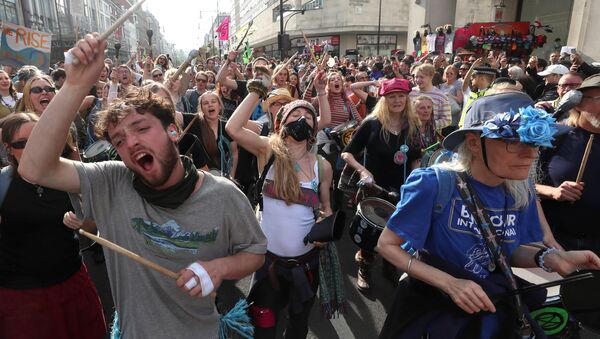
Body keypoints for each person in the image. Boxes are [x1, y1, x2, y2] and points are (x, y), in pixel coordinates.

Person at [18, 33, 267, 338]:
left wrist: (220, 269)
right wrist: (74, 85)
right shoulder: (112, 180)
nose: (131, 141)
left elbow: (254, 252)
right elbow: (33, 168)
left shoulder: (225, 195)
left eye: (142, 128)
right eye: (119, 140)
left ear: (173, 131)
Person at [377, 91, 600, 339]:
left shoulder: (520, 190)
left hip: (490, 309)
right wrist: (449, 283)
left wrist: (551, 257)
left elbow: (505, 250)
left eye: (533, 142)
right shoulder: (433, 184)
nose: (531, 154)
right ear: (474, 143)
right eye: (513, 142)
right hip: (433, 312)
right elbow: (387, 245)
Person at [225, 66, 336, 339]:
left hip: (306, 265)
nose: (301, 119)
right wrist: (255, 91)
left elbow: (326, 208)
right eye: (294, 114)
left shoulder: (323, 166)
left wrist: (325, 223)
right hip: (268, 266)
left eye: (307, 116)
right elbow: (232, 127)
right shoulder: (267, 150)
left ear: (314, 128)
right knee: (263, 328)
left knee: (298, 326)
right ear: (281, 123)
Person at [0, 113, 106, 339]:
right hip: (21, 299)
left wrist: (84, 222)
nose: (33, 148)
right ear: (9, 149)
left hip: (72, 284)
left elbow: (94, 227)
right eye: (22, 144)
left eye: (40, 139)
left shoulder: (69, 176)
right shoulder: (2, 185)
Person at [341, 78, 421, 290]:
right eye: (392, 97)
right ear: (384, 99)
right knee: (371, 233)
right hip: (373, 188)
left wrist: (414, 182)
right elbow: (347, 153)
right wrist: (363, 171)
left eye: (401, 96)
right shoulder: (372, 124)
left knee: (396, 232)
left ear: (407, 99)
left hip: (402, 190)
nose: (397, 100)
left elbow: (415, 158)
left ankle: (390, 264)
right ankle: (364, 266)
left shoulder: (412, 126)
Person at [537, 74, 600, 256]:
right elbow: (519, 183)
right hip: (553, 242)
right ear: (578, 103)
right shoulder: (554, 136)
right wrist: (553, 192)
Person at [409, 63, 452, 130]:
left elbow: (447, 120)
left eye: (421, 77)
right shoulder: (410, 93)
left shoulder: (441, 96)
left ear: (431, 77)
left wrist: (427, 125)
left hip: (431, 136)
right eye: (416, 77)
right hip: (411, 134)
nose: (417, 80)